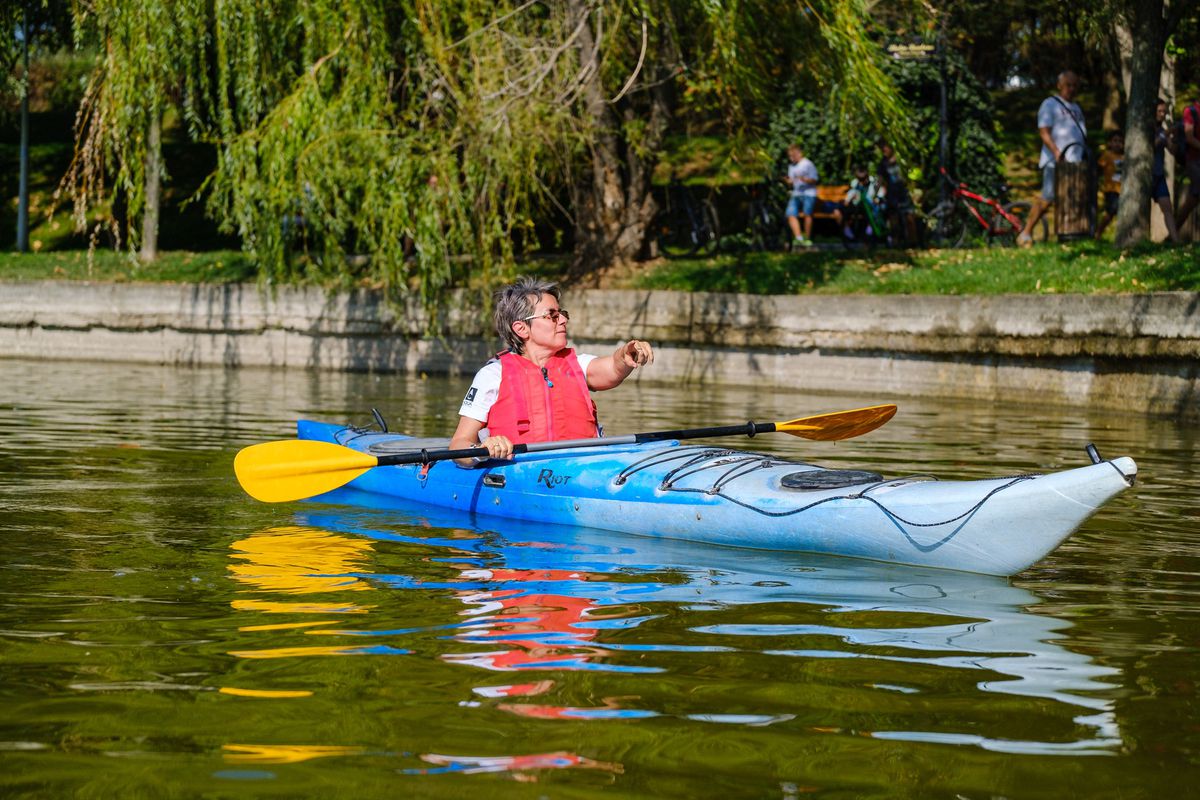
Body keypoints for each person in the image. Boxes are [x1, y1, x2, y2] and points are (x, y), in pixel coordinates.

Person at [449, 277, 654, 465]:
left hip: (582, 469)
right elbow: (459, 444)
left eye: (562, 314)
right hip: (519, 474)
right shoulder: (493, 374)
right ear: (521, 329)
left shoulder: (578, 365)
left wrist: (625, 355)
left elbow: (611, 368)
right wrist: (482, 450)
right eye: (552, 316)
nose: (563, 320)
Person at [1020, 70, 1087, 246]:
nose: (1071, 89)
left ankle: (1069, 236)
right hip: (1055, 162)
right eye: (1068, 85)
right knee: (1048, 197)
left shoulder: (1077, 108)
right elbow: (1044, 132)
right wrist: (1056, 152)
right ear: (1059, 85)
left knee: (1071, 200)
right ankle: (1026, 232)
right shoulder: (1050, 104)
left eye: (1074, 86)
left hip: (1076, 163)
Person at [876, 141, 917, 244]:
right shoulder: (882, 164)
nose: (883, 150)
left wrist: (913, 190)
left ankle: (912, 242)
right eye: (882, 148)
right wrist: (875, 194)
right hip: (892, 195)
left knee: (909, 217)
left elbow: (910, 176)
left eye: (884, 147)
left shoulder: (901, 160)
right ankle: (896, 242)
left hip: (904, 193)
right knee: (894, 220)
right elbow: (880, 180)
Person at [1153, 99, 1182, 244]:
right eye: (1159, 111)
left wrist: (1174, 137)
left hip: (1158, 175)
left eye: (1164, 111)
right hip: (1145, 176)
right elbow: (1154, 144)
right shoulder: (1146, 127)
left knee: (1167, 207)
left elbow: (1172, 150)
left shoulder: (1162, 130)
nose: (1162, 114)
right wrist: (1166, 133)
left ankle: (1176, 241)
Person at [1174, 94, 1200, 233]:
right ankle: (1174, 230)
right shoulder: (1191, 111)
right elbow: (1189, 137)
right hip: (1193, 160)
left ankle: (1173, 231)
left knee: (1194, 197)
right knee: (1195, 194)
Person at [784, 144, 819, 248]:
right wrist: (788, 181)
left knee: (807, 214)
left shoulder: (808, 164)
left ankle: (807, 239)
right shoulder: (791, 166)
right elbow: (792, 181)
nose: (791, 158)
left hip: (809, 193)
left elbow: (815, 179)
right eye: (789, 156)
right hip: (796, 193)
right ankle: (799, 238)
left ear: (799, 154)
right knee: (790, 214)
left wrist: (804, 179)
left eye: (793, 155)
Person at [1095, 131, 1123, 238]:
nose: (1118, 144)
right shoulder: (1107, 155)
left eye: (1120, 141)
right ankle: (1098, 232)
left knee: (1116, 212)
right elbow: (1098, 169)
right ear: (1110, 143)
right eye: (1115, 141)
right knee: (1111, 211)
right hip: (1111, 189)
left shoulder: (1125, 157)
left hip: (1123, 190)